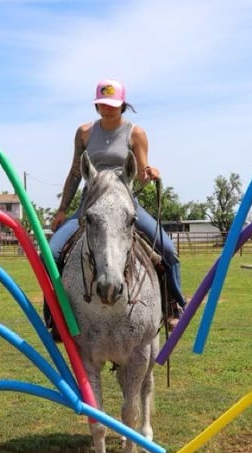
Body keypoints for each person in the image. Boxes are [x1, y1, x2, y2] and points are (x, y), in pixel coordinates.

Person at [49, 78, 186, 329]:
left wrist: (151, 172)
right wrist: (61, 210)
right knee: (51, 252)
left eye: (112, 104)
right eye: (102, 103)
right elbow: (75, 173)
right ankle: (56, 315)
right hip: (90, 203)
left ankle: (173, 306)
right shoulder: (85, 132)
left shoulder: (136, 133)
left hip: (124, 201)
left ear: (122, 104)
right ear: (96, 105)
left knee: (167, 249)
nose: (107, 108)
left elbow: (141, 172)